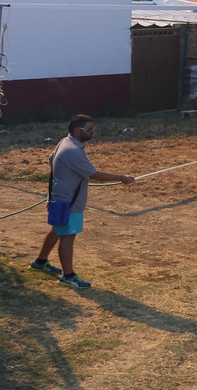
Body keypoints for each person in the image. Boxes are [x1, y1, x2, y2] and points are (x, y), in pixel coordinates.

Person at [30, 114, 135, 288]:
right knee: (68, 236)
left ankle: (40, 262)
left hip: (60, 197)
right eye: (90, 129)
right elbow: (93, 174)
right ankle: (68, 276)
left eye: (94, 128)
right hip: (69, 202)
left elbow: (51, 160)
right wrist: (122, 178)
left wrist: (64, 178)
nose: (93, 132)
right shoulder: (74, 151)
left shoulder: (65, 141)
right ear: (78, 131)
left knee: (57, 229)